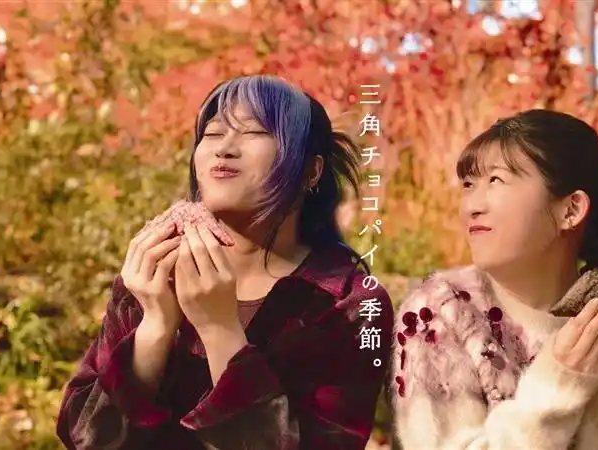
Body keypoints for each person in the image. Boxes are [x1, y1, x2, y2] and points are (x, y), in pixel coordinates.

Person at [57, 75, 393, 450]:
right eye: (213, 134)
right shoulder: (156, 271)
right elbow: (84, 437)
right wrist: (155, 326)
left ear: (310, 171)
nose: (224, 148)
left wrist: (219, 329)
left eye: (254, 132)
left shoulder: (348, 302)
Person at [390, 110, 598, 450]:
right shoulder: (440, 313)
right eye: (468, 185)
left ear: (571, 210)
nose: (471, 207)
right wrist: (557, 388)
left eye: (496, 180)